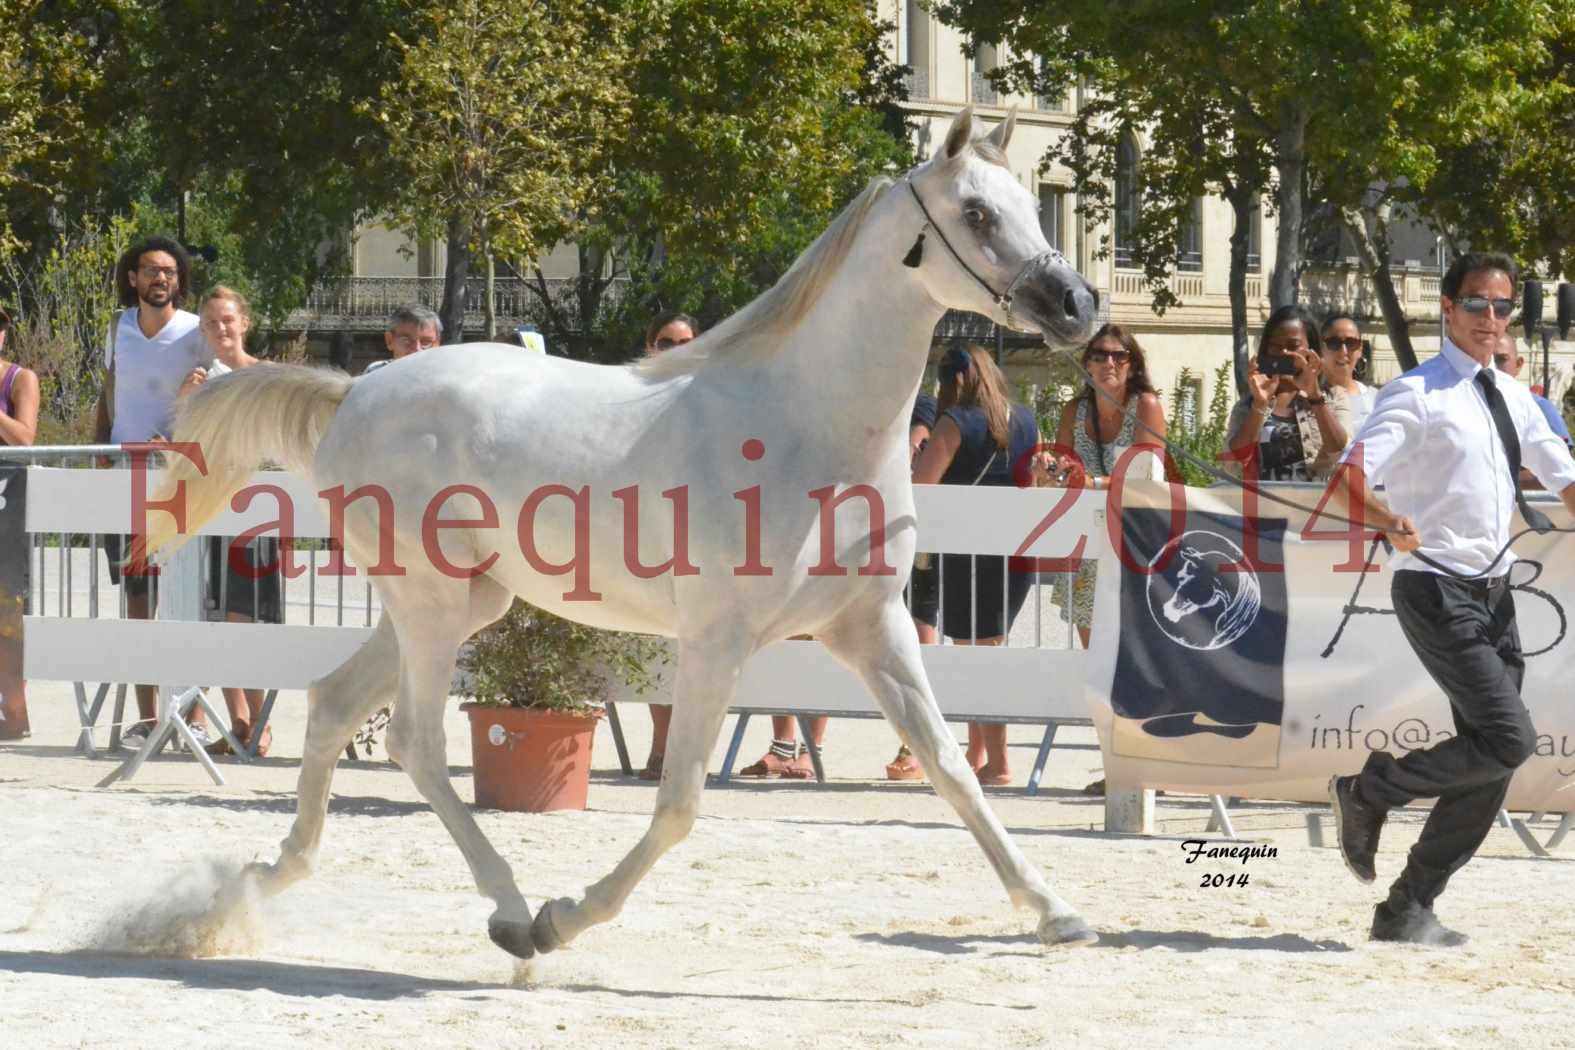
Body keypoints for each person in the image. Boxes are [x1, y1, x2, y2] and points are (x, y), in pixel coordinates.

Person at [1324, 251, 1575, 946]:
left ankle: (1407, 905)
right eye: (1476, 305)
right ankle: (1368, 791)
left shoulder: (1516, 398)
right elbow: (1346, 482)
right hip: (1433, 587)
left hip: (1493, 594)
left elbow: (1565, 481)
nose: (1490, 319)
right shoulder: (1416, 393)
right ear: (1446, 308)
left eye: (1501, 307)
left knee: (1492, 757)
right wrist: (1383, 519)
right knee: (1507, 739)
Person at [96, 237, 209, 750]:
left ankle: (195, 717)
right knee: (137, 596)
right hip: (124, 475)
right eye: (151, 271)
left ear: (179, 281)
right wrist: (98, 450)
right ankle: (147, 719)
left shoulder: (196, 332)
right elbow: (109, 393)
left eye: (169, 272)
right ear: (132, 279)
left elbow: (213, 398)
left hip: (180, 478)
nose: (161, 279)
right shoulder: (118, 328)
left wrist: (183, 441)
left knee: (189, 597)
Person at [910, 345, 1041, 786]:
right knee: (985, 649)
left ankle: (1000, 763)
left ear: (955, 380)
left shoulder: (954, 422)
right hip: (1016, 551)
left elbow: (921, 486)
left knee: (977, 658)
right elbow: (1032, 480)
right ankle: (979, 754)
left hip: (967, 551)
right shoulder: (1025, 419)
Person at [176, 286, 281, 757]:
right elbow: (186, 440)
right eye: (212, 322)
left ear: (245, 323)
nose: (222, 328)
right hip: (214, 506)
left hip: (260, 510)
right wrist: (187, 401)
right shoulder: (203, 380)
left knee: (249, 618)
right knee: (220, 615)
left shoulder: (269, 377)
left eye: (228, 320)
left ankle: (257, 724)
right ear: (203, 329)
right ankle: (244, 723)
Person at [1048, 325, 1167, 650]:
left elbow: (1147, 481)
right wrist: (1048, 472)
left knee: (1135, 651)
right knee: (1094, 655)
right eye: (1099, 354)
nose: (1109, 363)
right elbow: (1063, 472)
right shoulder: (1074, 411)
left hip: (1135, 542)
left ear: (1133, 364)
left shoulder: (1146, 406)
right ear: (1087, 364)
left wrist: (1092, 483)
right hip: (1086, 543)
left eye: (1119, 355)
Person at [639, 311, 699, 780]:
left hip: (699, 536)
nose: (674, 350)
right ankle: (662, 746)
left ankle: (678, 754)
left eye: (684, 342)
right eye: (665, 342)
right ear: (650, 347)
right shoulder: (634, 394)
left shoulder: (714, 395)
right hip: (648, 530)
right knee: (656, 650)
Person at [1225, 304, 1351, 481]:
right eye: (1275, 346)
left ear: (1311, 349)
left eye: (1293, 345)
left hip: (1314, 504)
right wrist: (1259, 406)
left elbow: (1340, 450)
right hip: (1261, 506)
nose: (1283, 352)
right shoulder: (1249, 404)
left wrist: (1314, 395)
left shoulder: (1334, 397)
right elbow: (1234, 462)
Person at [886, 387, 941, 781]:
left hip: (909, 520)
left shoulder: (916, 395)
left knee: (921, 617)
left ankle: (917, 746)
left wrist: (905, 451)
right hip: (872, 520)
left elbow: (919, 434)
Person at [0, 305, 39, 740]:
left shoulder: (20, 378)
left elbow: (26, 437)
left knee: (8, 614)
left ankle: (16, 711)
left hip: (9, 505)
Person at [1493, 331, 1571, 450]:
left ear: (1518, 364)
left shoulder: (1540, 406)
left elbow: (1561, 457)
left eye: (1501, 359)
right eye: (1487, 359)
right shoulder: (1470, 403)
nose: (1492, 366)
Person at [1319, 312, 1377, 439]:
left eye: (1351, 343)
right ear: (1321, 348)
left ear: (1360, 349)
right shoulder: (1309, 399)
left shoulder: (1376, 400)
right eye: (1334, 343)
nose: (1343, 352)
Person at [363, 304, 442, 374]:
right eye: (406, 340)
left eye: (426, 342)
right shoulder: (375, 373)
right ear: (389, 341)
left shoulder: (447, 375)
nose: (417, 349)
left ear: (438, 343)